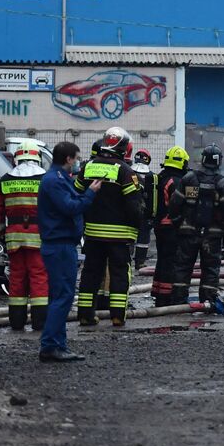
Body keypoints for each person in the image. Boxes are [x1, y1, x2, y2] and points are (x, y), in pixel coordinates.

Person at [37, 141, 101, 363]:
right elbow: (70, 207)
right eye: (76, 158)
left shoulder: (60, 179)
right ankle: (50, 346)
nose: (77, 163)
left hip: (62, 244)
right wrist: (90, 194)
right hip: (59, 245)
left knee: (59, 296)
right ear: (68, 159)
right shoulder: (54, 181)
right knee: (63, 296)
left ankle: (58, 344)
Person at [76, 126, 144, 327]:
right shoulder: (125, 171)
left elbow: (76, 194)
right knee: (119, 275)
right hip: (119, 236)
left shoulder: (87, 166)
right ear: (123, 148)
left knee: (90, 274)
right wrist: (138, 225)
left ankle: (85, 314)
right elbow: (134, 206)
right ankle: (117, 316)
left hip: (93, 234)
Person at [0, 139, 49, 331]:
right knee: (39, 278)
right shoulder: (45, 180)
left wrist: (0, 233)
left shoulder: (5, 181)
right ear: (37, 158)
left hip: (14, 237)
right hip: (39, 237)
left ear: (16, 158)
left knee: (17, 279)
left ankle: (17, 322)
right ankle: (40, 323)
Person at [168, 143, 224, 304]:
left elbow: (174, 204)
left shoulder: (189, 178)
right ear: (219, 161)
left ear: (203, 159)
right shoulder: (222, 183)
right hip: (212, 236)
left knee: (182, 267)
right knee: (211, 269)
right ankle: (208, 301)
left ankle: (178, 300)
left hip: (188, 234)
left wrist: (179, 224)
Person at [150, 146, 189, 305]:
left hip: (160, 225)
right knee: (171, 262)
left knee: (162, 260)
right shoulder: (176, 181)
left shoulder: (160, 177)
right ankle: (167, 296)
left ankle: (158, 291)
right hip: (172, 227)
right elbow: (177, 206)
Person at [131, 149, 156, 270]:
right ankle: (140, 262)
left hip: (131, 211)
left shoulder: (128, 172)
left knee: (130, 236)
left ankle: (127, 259)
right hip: (146, 213)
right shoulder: (152, 176)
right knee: (143, 238)